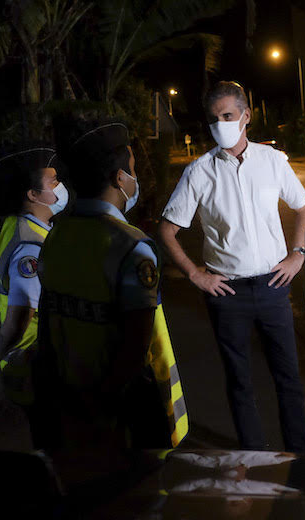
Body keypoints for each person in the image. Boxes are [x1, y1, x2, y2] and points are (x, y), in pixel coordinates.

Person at [158, 81, 305, 454]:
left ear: (246, 116)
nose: (220, 125)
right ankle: (252, 456)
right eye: (214, 119)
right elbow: (167, 230)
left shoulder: (272, 161)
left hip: (274, 286)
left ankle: (301, 456)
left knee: (289, 378)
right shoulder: (199, 171)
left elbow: (303, 207)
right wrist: (196, 274)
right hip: (228, 295)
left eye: (227, 116)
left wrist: (298, 253)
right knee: (240, 381)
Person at [37, 120, 188, 466]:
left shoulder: (56, 236)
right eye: (132, 169)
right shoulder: (132, 246)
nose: (135, 177)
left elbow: (48, 322)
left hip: (70, 395)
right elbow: (136, 343)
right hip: (123, 406)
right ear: (120, 178)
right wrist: (103, 403)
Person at [0, 144, 67, 445]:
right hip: (36, 361)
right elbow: (22, 311)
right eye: (53, 181)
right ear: (32, 195)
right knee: (56, 441)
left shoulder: (18, 226)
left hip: (36, 361)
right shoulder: (31, 246)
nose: (60, 186)